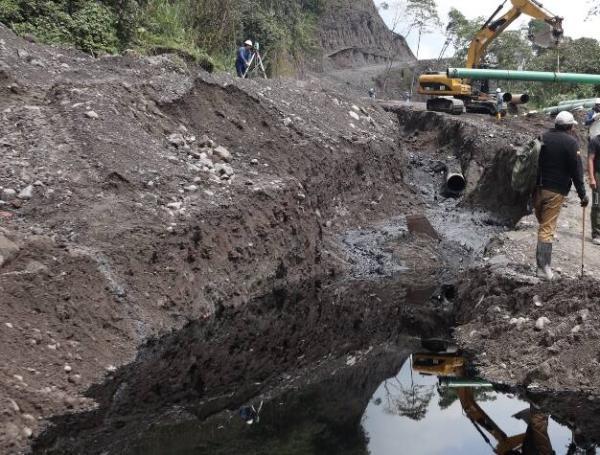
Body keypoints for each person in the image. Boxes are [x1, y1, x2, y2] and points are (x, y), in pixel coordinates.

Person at [534, 111, 588, 280]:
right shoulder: (571, 143)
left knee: (543, 224)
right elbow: (576, 172)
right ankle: (543, 269)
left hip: (536, 189)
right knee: (547, 228)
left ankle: (540, 266)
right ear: (570, 126)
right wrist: (583, 195)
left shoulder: (542, 137)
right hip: (555, 191)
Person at [588, 132, 600, 245]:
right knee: (597, 204)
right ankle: (596, 233)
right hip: (597, 175)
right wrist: (591, 178)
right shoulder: (595, 141)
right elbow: (590, 159)